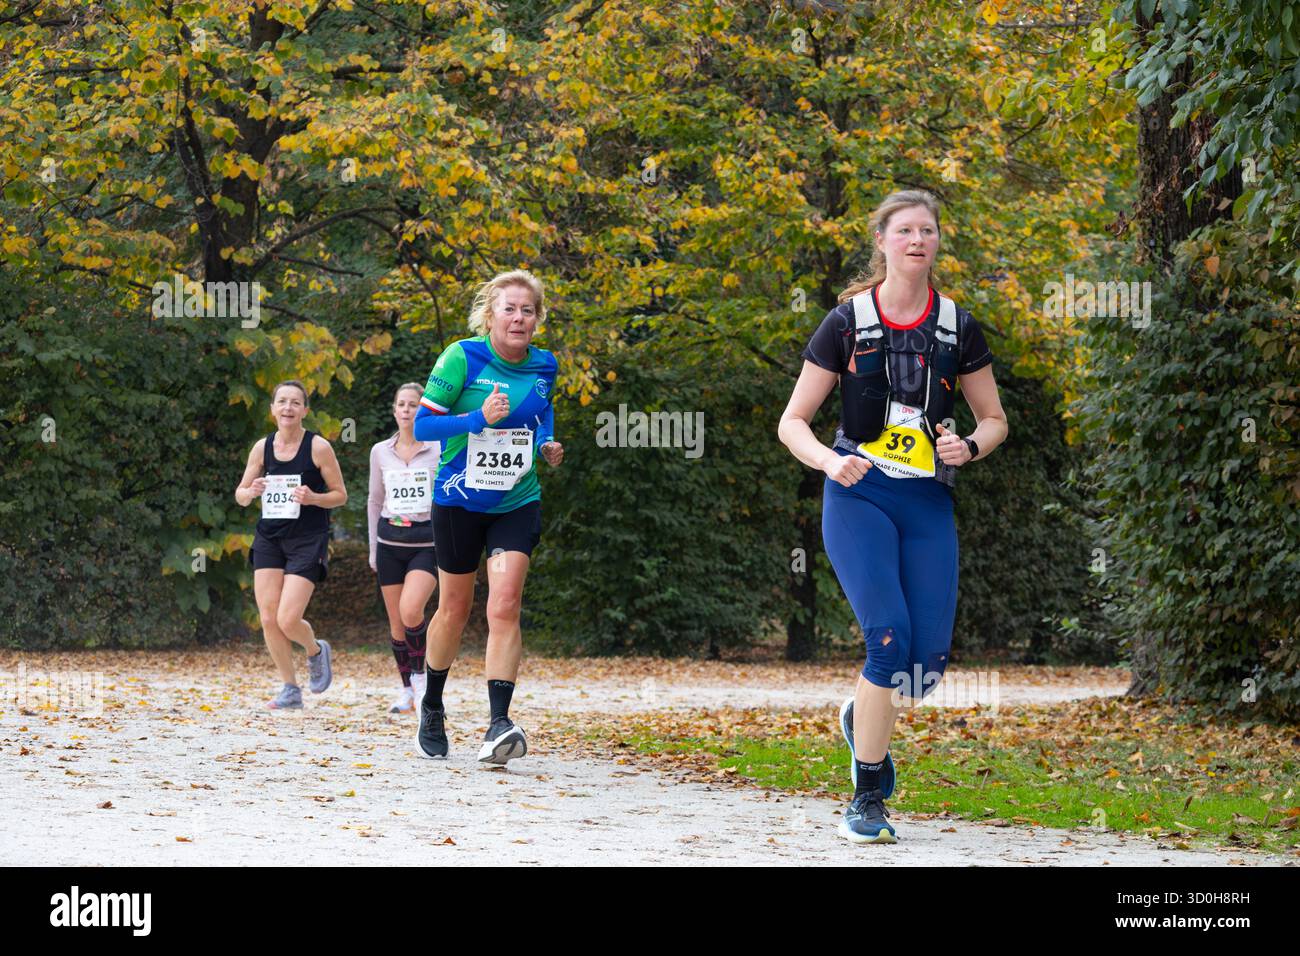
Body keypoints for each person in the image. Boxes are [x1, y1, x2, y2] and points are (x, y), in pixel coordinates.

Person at [777, 189, 1009, 844]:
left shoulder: (958, 327)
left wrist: (969, 445)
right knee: (886, 638)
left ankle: (862, 714)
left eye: (927, 230)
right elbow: (792, 422)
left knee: (924, 665)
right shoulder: (846, 322)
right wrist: (827, 460)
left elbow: (994, 419)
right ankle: (868, 792)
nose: (917, 240)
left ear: (938, 242)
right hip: (860, 495)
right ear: (882, 241)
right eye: (904, 230)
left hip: (928, 501)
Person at [410, 269, 563, 764]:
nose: (519, 318)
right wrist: (479, 419)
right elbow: (423, 424)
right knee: (454, 608)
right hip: (458, 501)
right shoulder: (463, 356)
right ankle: (432, 705)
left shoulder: (544, 366)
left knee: (505, 603)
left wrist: (546, 443)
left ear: (537, 318)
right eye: (509, 309)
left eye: (528, 310)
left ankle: (499, 723)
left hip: (515, 501)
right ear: (491, 314)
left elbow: (541, 412)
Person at [235, 380, 348, 710]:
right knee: (268, 618)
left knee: (287, 619)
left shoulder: (318, 448)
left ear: (305, 411)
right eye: (281, 401)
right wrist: (252, 490)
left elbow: (340, 495)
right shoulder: (262, 448)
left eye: (295, 402)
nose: (288, 408)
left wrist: (313, 498)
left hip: (307, 539)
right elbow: (240, 495)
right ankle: (289, 688)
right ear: (272, 409)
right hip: (269, 537)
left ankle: (314, 650)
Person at [368, 383, 442, 714]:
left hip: (427, 543)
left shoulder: (438, 448)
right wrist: (372, 548)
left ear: (422, 410)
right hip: (389, 543)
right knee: (396, 624)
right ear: (395, 410)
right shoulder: (380, 451)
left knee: (412, 610)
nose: (407, 410)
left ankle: (423, 679)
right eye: (402, 404)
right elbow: (374, 500)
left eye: (414, 404)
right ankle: (407, 691)